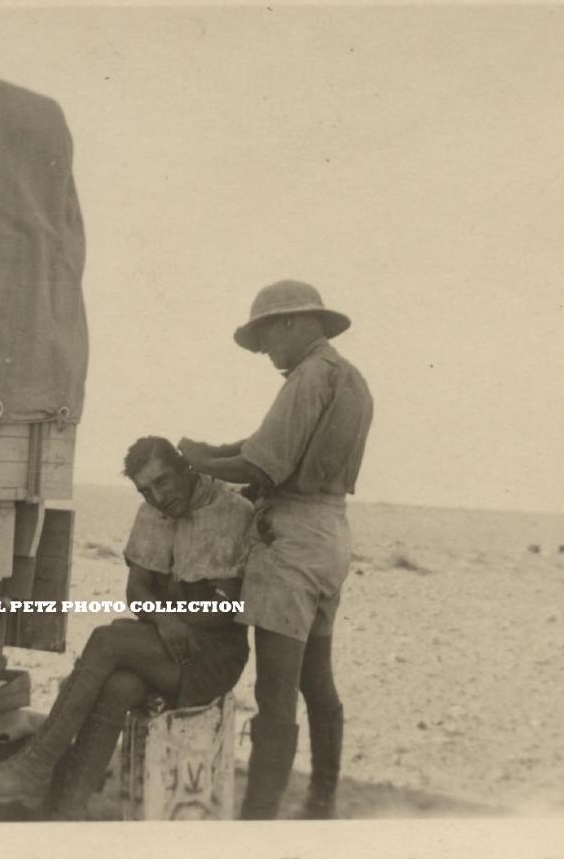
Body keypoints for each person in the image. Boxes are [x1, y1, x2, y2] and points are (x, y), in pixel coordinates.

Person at [0, 435, 253, 818]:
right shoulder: (152, 513)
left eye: (163, 481)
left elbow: (230, 608)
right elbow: (136, 591)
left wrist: (169, 619)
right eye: (145, 489)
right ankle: (67, 810)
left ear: (185, 469)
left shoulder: (232, 511)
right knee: (120, 687)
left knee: (106, 640)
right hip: (165, 646)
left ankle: (33, 766)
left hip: (213, 655)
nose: (157, 496)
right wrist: (164, 619)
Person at [177, 279, 373, 820]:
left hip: (291, 544)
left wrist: (197, 466)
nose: (265, 353)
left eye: (266, 339)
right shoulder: (346, 377)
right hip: (331, 535)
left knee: (276, 693)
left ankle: (257, 824)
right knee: (318, 681)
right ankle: (322, 801)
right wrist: (215, 450)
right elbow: (277, 441)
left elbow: (264, 465)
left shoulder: (307, 378)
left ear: (290, 323)